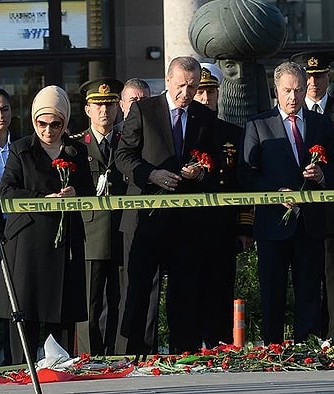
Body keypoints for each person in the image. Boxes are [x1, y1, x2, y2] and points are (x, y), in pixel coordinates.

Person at [115, 56, 219, 355]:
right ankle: (131, 358)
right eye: (181, 86)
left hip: (186, 223)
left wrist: (200, 170)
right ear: (168, 80)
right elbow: (123, 156)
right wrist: (151, 174)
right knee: (138, 294)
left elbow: (211, 161)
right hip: (146, 219)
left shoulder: (204, 116)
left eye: (192, 86)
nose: (186, 93)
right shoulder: (144, 110)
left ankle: (182, 356)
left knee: (184, 294)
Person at [239, 61, 334, 345]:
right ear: (276, 91)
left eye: (298, 90)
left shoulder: (320, 123)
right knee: (272, 290)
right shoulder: (257, 125)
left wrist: (322, 175)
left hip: (310, 223)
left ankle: (306, 346)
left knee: (309, 289)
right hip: (272, 224)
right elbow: (246, 174)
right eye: (287, 90)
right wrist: (274, 192)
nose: (293, 97)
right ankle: (273, 346)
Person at [0, 85, 94, 363]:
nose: (48, 130)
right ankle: (21, 372)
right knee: (25, 317)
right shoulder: (21, 149)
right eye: (42, 123)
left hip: (65, 246)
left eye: (55, 124)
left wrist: (75, 192)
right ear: (33, 120)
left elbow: (88, 190)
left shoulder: (76, 151)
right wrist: (43, 198)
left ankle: (60, 373)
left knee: (62, 318)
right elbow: (8, 191)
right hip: (28, 245)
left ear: (65, 122)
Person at [290, 51, 334, 339]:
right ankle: (308, 336)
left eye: (318, 76)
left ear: (327, 76)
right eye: (307, 77)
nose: (313, 82)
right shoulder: (292, 111)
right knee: (305, 277)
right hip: (298, 209)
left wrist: (328, 178)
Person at [192, 63, 253, 347]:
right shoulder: (184, 131)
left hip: (223, 226)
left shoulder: (233, 133)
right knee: (191, 290)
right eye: (200, 92)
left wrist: (244, 227)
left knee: (220, 289)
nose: (205, 98)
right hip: (189, 226)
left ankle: (219, 345)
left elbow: (241, 184)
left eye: (211, 92)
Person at [71, 78, 125, 356]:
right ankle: (88, 358)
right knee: (89, 304)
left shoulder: (127, 142)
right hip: (89, 233)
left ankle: (116, 356)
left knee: (119, 300)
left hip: (122, 230)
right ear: (87, 110)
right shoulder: (77, 146)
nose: (105, 110)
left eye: (110, 104)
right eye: (98, 105)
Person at [115, 77, 158, 355]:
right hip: (126, 219)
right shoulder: (117, 134)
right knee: (128, 291)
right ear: (122, 104)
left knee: (152, 291)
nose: (139, 105)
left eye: (145, 100)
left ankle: (148, 349)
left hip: (156, 218)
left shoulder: (158, 129)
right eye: (133, 101)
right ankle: (122, 351)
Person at [0, 88, 12, 365]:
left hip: (15, 234)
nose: (0, 115)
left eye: (5, 108)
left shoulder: (21, 146)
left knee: (12, 304)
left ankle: (13, 361)